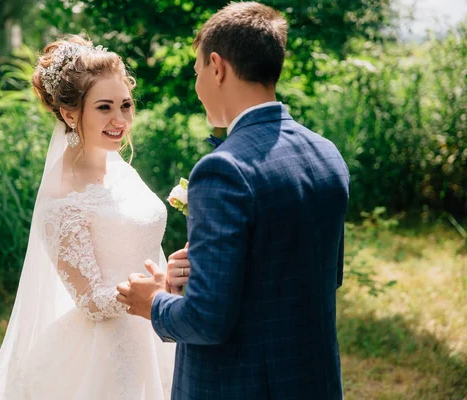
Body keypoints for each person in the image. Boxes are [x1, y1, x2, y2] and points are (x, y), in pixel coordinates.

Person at [117, 3, 350, 399]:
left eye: (196, 73)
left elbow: (206, 321)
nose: (197, 85)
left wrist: (153, 302)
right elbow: (318, 274)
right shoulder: (326, 153)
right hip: (314, 380)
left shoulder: (223, 169)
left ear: (217, 66)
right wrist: (211, 267)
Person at [0, 35, 174, 400]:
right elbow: (90, 302)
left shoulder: (121, 169)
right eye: (104, 107)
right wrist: (149, 294)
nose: (120, 120)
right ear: (71, 114)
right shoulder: (61, 199)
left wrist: (171, 280)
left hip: (159, 329)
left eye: (125, 105)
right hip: (106, 354)